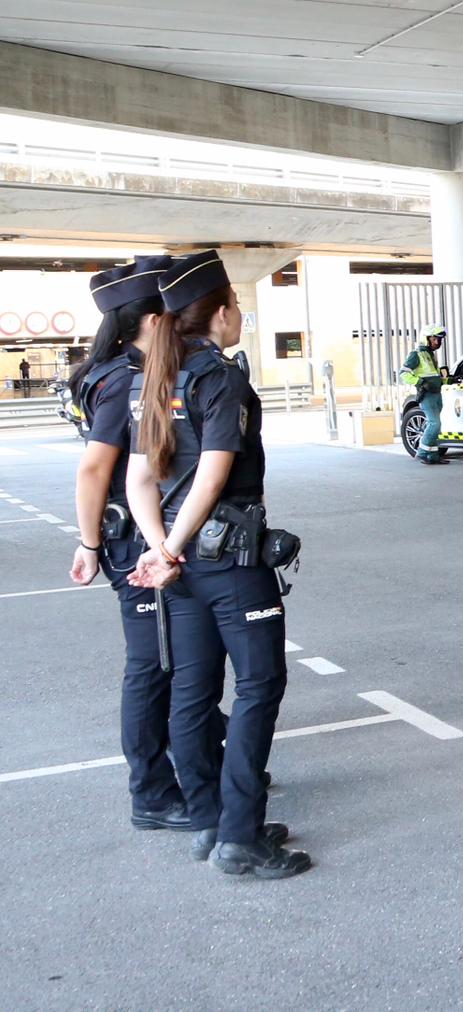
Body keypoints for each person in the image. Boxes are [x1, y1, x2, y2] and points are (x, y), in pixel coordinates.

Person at [125, 249, 305, 879]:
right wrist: (172, 546)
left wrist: (158, 547)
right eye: (236, 306)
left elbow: (139, 480)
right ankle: (240, 835)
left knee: (192, 691)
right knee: (259, 687)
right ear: (223, 312)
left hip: (180, 571)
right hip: (227, 561)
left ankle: (209, 822)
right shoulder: (220, 378)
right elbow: (213, 473)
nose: (239, 318)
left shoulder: (157, 378)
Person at [66, 255, 207, 832]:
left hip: (142, 536)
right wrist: (90, 544)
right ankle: (151, 792)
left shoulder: (120, 370)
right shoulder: (123, 379)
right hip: (135, 543)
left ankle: (201, 759)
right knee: (152, 665)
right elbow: (95, 470)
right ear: (154, 319)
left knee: (181, 658)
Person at [400, 324, 447, 464]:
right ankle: (422, 452)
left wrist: (446, 380)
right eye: (434, 339)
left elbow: (434, 375)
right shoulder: (416, 354)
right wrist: (420, 382)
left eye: (439, 340)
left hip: (436, 393)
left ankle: (432, 456)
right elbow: (403, 373)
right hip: (427, 395)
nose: (437, 342)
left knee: (435, 424)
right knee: (434, 424)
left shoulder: (430, 355)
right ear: (426, 339)